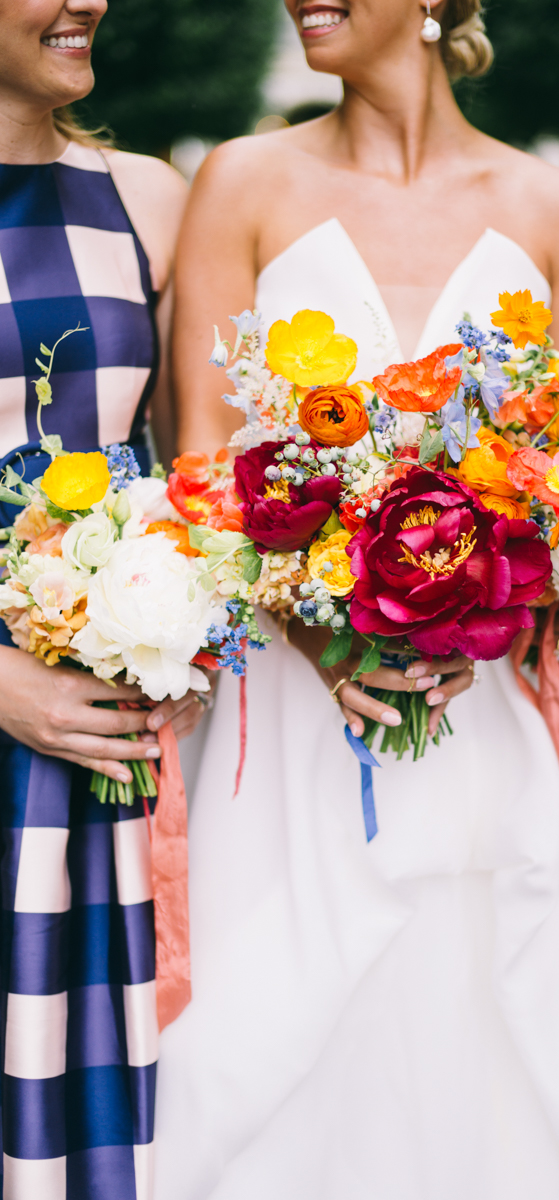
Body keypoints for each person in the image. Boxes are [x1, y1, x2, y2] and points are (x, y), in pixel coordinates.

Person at [153, 2, 559, 1198]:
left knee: (473, 1041)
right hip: (291, 711)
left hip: (481, 705)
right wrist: (331, 639)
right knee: (280, 1052)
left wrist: (494, 599)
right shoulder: (242, 181)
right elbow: (200, 469)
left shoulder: (551, 209)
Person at [0, 1, 205, 1195]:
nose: (84, 0)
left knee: (92, 1084)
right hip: (23, 712)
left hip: (106, 747)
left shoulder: (147, 197)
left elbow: (200, 470)